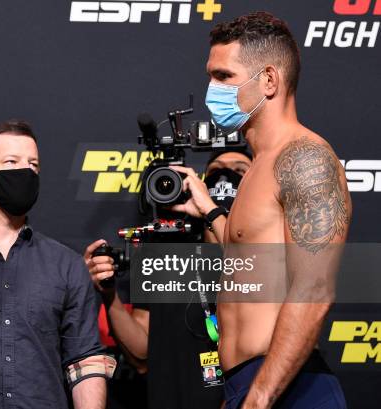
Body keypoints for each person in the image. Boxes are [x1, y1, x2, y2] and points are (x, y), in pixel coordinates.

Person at [173, 12, 352, 408]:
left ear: (269, 80)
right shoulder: (259, 166)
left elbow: (314, 290)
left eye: (223, 77)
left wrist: (258, 399)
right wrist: (210, 212)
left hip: (288, 388)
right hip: (248, 385)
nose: (210, 89)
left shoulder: (305, 159)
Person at [0, 120, 116, 409]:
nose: (26, 172)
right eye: (11, 161)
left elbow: (85, 359)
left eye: (33, 165)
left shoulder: (66, 263)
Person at [85, 149, 252, 409]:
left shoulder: (269, 250)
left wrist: (212, 212)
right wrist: (110, 296)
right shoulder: (164, 246)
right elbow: (140, 354)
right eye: (215, 171)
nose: (224, 179)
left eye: (239, 171)